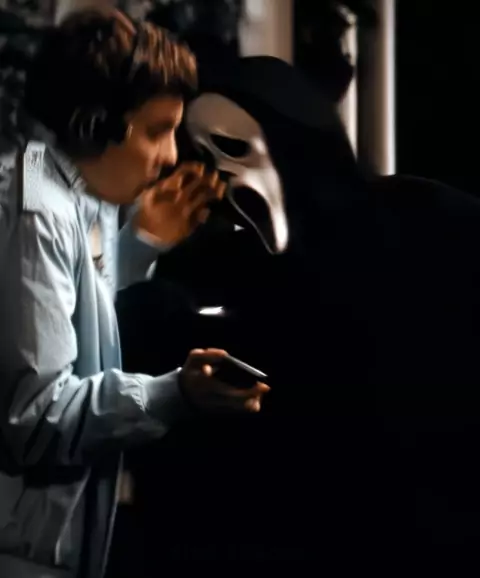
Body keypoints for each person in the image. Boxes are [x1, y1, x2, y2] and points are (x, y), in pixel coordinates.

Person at [116, 56, 480, 572]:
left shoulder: (422, 218)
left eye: (233, 148)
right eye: (202, 158)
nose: (219, 176)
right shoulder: (213, 271)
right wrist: (141, 248)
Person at [0, 9, 269, 578]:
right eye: (156, 130)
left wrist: (141, 244)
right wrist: (174, 394)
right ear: (94, 125)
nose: (170, 156)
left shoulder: (69, 186)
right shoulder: (37, 210)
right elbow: (39, 417)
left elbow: (74, 323)